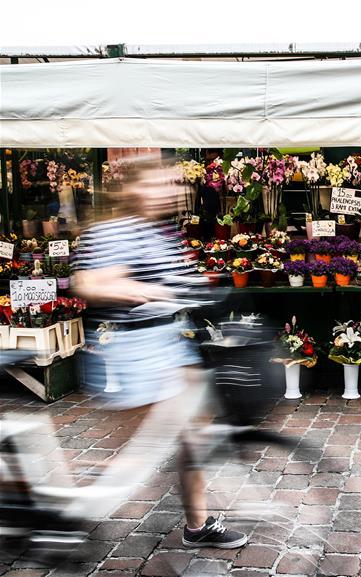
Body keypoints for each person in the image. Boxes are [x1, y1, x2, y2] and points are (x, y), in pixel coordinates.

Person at [73, 157, 248, 549]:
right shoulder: (114, 230)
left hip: (168, 344)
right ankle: (73, 509)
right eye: (158, 184)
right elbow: (88, 281)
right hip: (127, 349)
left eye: (171, 184)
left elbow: (178, 279)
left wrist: (205, 287)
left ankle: (198, 524)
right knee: (140, 449)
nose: (169, 192)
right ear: (134, 189)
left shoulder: (162, 231)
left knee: (195, 432)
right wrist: (138, 290)